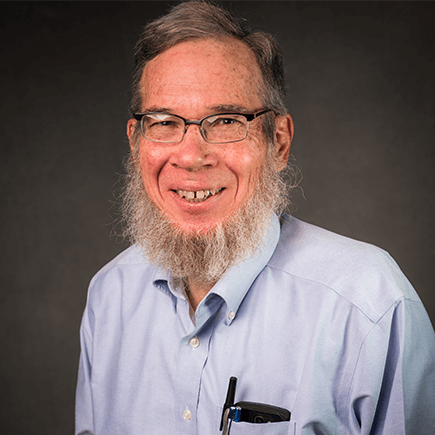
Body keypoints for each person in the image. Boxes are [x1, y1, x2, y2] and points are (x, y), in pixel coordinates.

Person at [75, 2, 435, 434]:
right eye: (165, 122)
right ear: (137, 143)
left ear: (278, 143)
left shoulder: (370, 306)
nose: (191, 156)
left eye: (226, 120)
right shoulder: (108, 297)